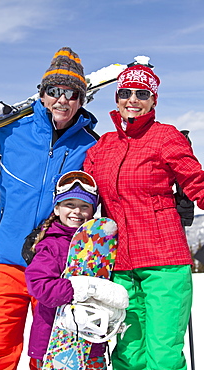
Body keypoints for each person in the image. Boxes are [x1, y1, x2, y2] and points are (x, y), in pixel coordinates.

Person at [0, 47, 100, 370]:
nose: (62, 100)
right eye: (54, 91)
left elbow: (120, 188)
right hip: (6, 261)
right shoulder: (10, 131)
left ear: (82, 100)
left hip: (56, 266)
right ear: (42, 93)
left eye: (72, 93)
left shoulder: (92, 145)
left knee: (53, 355)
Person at [84, 58, 204, 370]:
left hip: (165, 261)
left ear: (153, 100)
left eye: (141, 93)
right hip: (120, 266)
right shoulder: (102, 147)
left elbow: (196, 182)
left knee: (163, 356)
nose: (132, 100)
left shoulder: (166, 136)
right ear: (117, 98)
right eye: (125, 93)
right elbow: (83, 195)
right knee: (128, 356)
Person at [25, 170, 108, 369]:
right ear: (56, 209)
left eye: (84, 206)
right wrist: (79, 289)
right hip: (52, 343)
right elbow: (40, 286)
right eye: (69, 205)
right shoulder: (50, 245)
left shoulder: (99, 247)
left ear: (93, 210)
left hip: (90, 344)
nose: (76, 212)